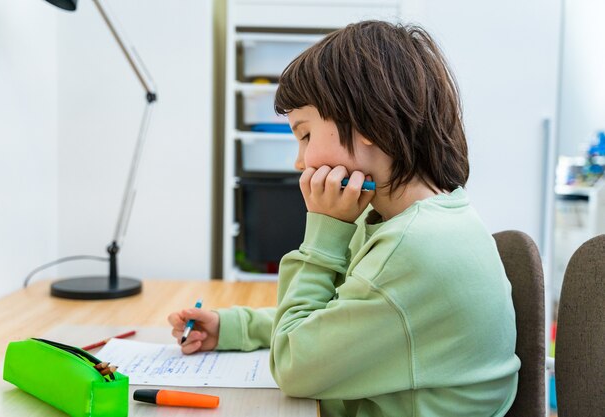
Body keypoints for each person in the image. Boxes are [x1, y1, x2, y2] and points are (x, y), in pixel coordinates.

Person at [168, 20, 520, 417]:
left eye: (304, 135)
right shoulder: (413, 219)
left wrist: (325, 232)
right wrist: (235, 327)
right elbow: (337, 317)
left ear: (368, 123)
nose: (299, 161)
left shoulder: (414, 247)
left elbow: (293, 366)